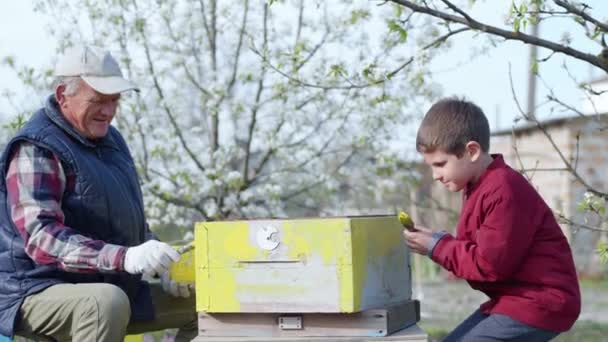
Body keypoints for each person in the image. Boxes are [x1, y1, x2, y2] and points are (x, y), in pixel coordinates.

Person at [0, 46, 196, 342]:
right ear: (63, 94)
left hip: (110, 282)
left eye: (114, 100)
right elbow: (42, 238)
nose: (108, 111)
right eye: (98, 101)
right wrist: (125, 258)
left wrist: (160, 261)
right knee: (104, 303)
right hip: (32, 289)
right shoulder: (36, 148)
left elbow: (127, 223)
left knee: (207, 302)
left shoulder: (112, 141)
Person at [404, 98, 581, 341]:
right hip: (515, 300)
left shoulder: (503, 189)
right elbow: (477, 251)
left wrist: (437, 246)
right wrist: (436, 240)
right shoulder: (479, 186)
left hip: (540, 302)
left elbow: (488, 266)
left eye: (440, 164)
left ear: (472, 151)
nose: (435, 175)